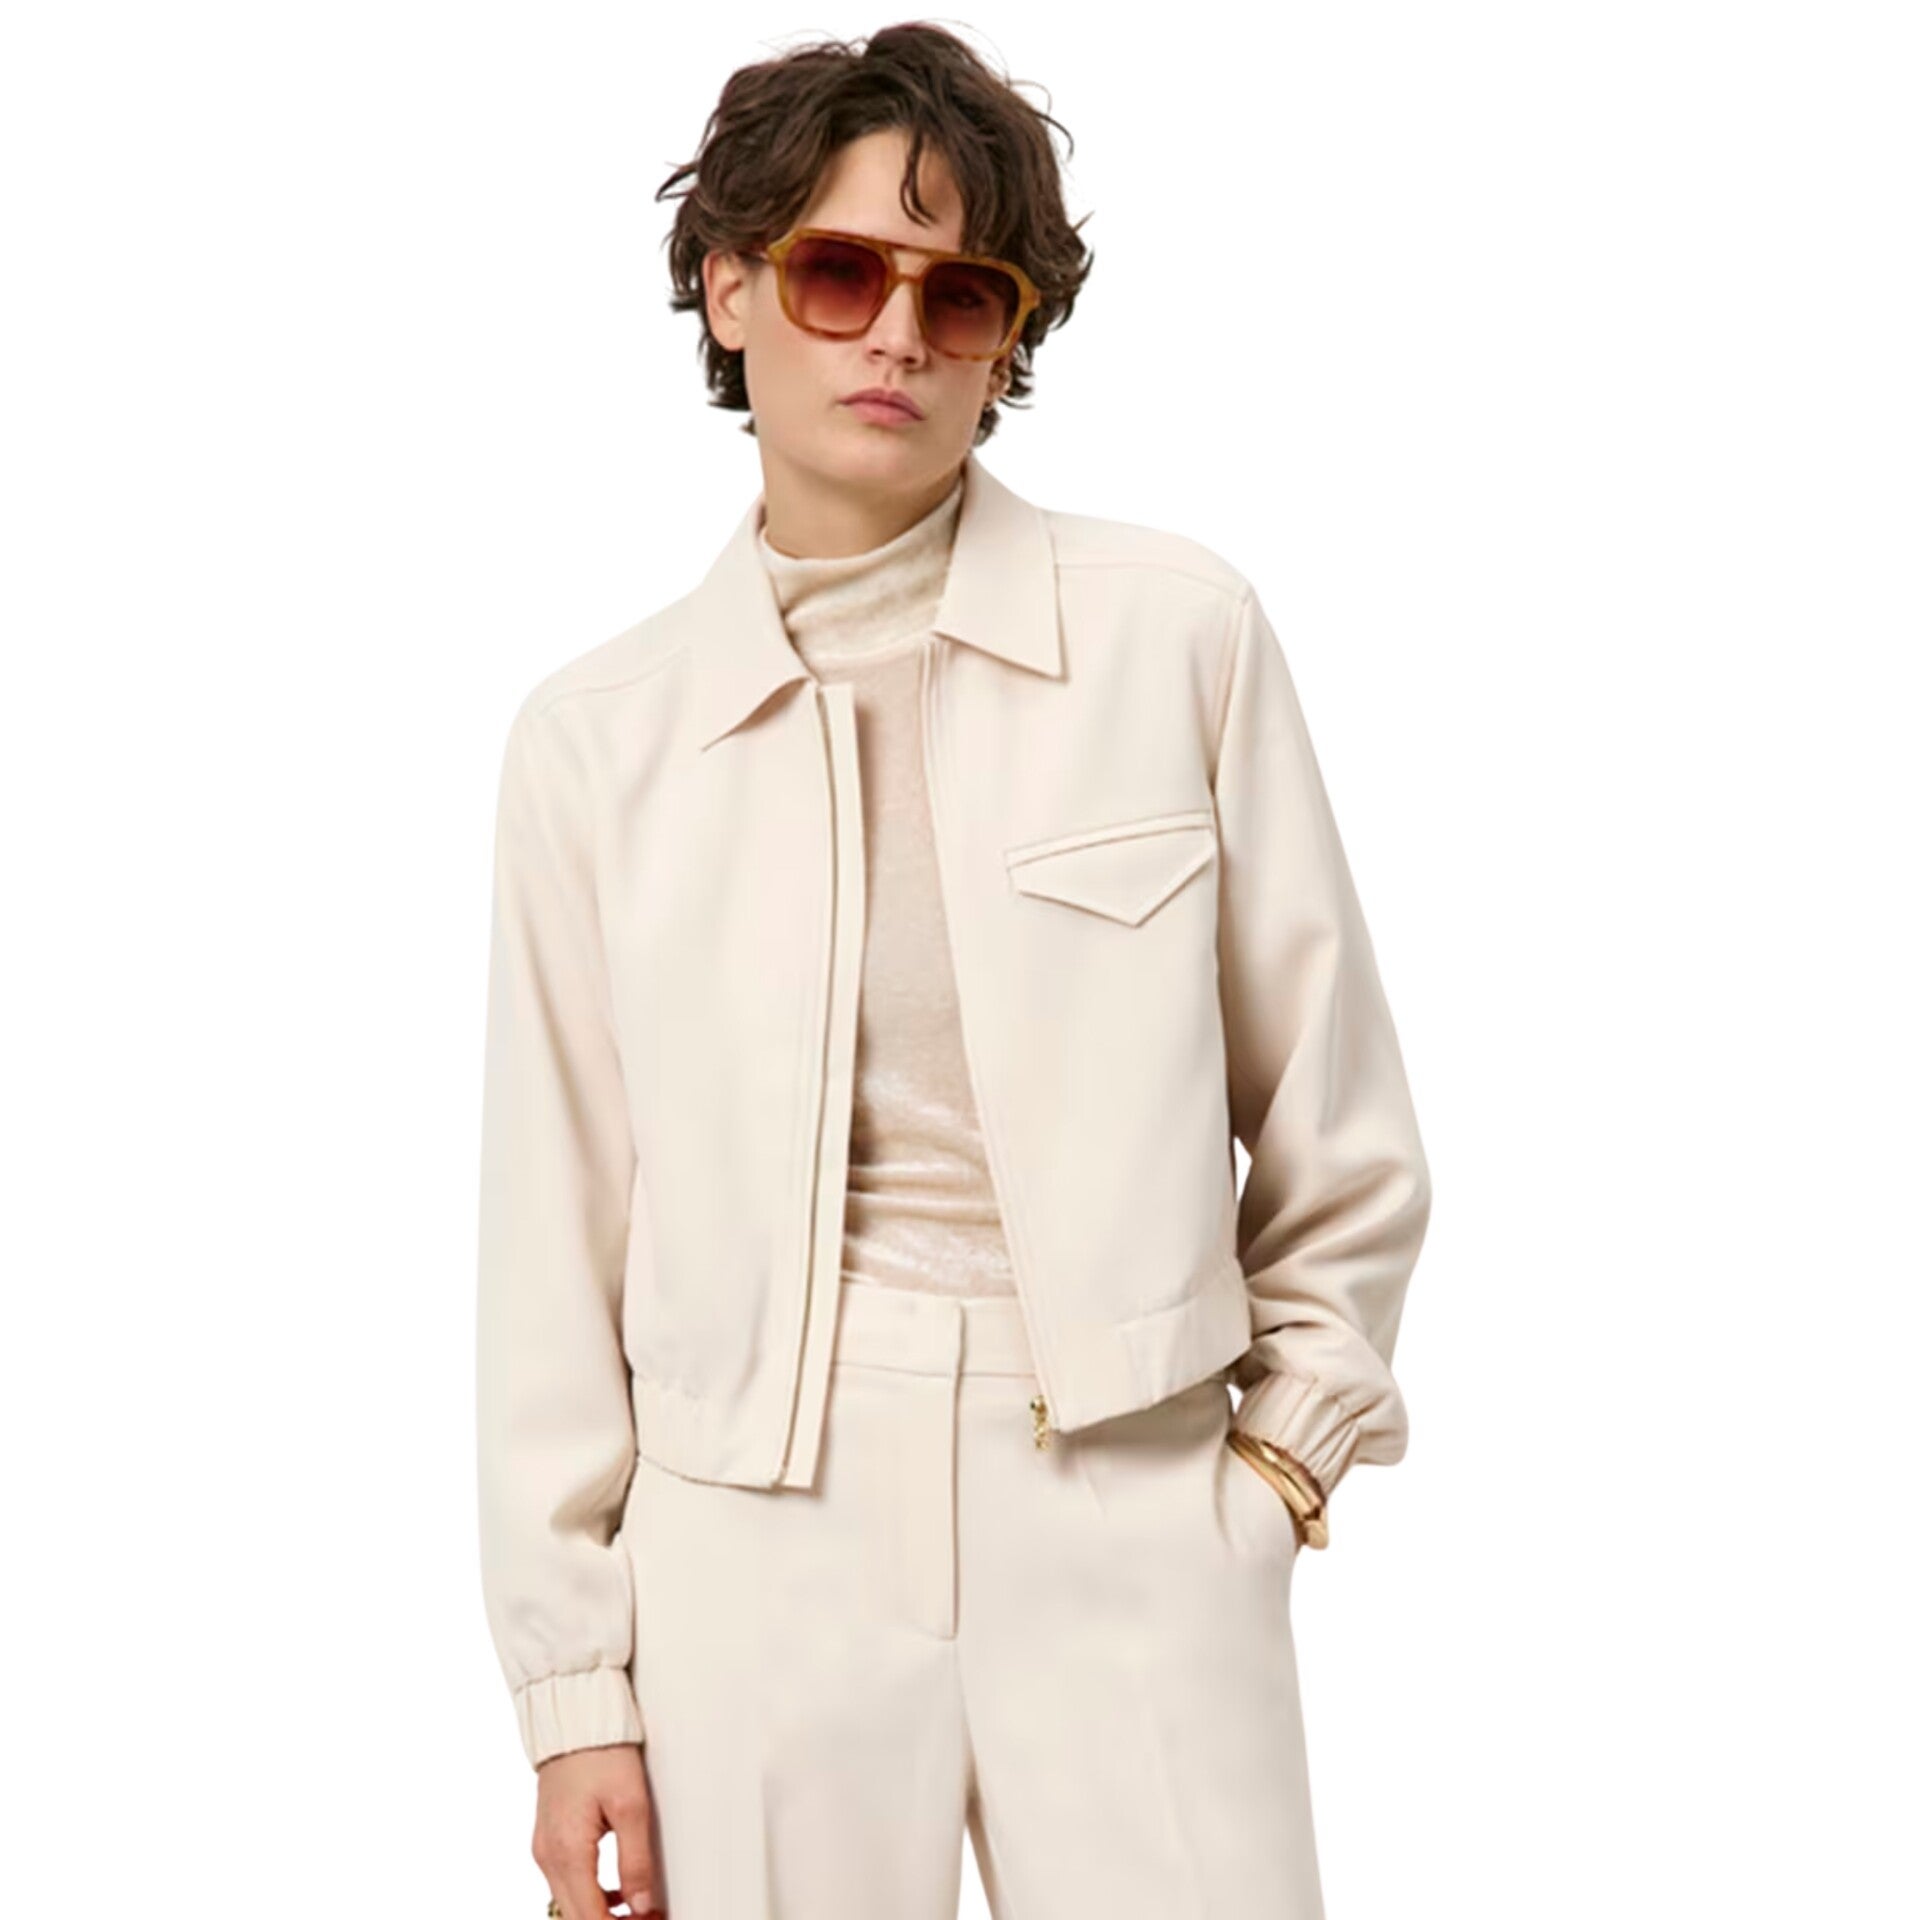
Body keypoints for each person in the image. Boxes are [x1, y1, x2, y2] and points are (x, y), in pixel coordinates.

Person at [475, 24, 1432, 1920]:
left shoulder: (1175, 639)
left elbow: (1342, 1134)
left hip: (1135, 1500)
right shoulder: (598, 743)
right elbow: (552, 1246)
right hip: (754, 1537)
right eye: (839, 273)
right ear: (730, 290)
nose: (898, 336)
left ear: (1009, 340)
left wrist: (1273, 1478)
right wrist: (576, 1693)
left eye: (961, 292)